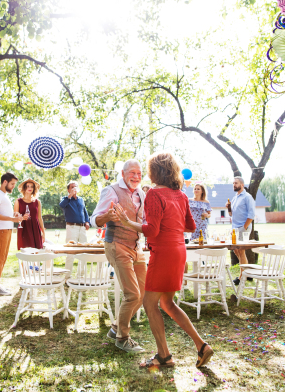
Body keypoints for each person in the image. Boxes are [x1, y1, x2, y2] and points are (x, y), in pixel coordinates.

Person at [115, 152, 213, 368]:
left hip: (164, 253)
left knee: (150, 303)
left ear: (154, 171)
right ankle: (202, 346)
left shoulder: (154, 195)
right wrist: (172, 223)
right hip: (179, 251)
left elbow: (152, 230)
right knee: (167, 303)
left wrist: (128, 222)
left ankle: (164, 356)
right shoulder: (181, 195)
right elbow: (191, 227)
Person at [90, 159, 146, 353]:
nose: (136, 177)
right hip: (116, 244)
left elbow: (144, 219)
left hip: (136, 247)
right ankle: (123, 338)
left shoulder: (141, 193)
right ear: (123, 173)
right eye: (132, 173)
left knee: (143, 293)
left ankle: (115, 328)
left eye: (139, 173)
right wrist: (108, 217)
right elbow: (94, 219)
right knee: (132, 294)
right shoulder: (111, 191)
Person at [0, 172, 22, 296]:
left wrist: (14, 215)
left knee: (2, 257)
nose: (13, 186)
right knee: (0, 257)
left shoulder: (3, 195)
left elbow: (4, 213)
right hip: (1, 230)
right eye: (12, 184)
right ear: (5, 182)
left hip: (7, 230)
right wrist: (12, 219)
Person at [226, 176, 256, 286]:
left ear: (242, 185)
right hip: (235, 228)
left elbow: (251, 215)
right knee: (236, 250)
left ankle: (241, 277)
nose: (234, 185)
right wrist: (228, 208)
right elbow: (231, 214)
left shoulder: (247, 197)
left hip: (243, 227)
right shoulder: (235, 198)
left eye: (236, 183)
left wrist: (244, 228)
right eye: (233, 183)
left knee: (241, 250)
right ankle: (246, 271)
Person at [15, 178, 44, 249]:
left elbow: (40, 218)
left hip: (35, 229)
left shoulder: (38, 202)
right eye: (27, 186)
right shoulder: (18, 201)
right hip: (24, 228)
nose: (30, 188)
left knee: (37, 252)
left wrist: (43, 232)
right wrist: (21, 217)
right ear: (24, 188)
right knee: (25, 253)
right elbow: (15, 216)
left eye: (32, 186)